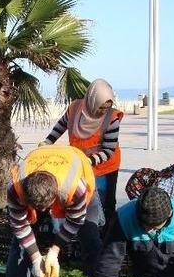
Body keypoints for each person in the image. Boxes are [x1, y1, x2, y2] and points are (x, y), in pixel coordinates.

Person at [2, 145, 104, 277]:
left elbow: (75, 222)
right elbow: (20, 226)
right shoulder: (15, 188)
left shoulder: (75, 188)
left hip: (80, 174)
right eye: (37, 207)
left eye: (45, 207)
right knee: (19, 244)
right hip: (42, 174)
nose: (43, 212)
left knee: (90, 238)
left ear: (56, 195)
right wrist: (36, 258)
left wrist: (54, 252)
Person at [41, 78, 123, 227]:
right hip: (79, 163)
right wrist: (47, 142)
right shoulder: (75, 108)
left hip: (104, 167)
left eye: (106, 108)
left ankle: (106, 231)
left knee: (105, 200)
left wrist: (88, 161)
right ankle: (82, 228)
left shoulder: (112, 118)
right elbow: (61, 126)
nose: (103, 111)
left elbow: (109, 150)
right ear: (92, 100)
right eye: (100, 107)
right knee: (81, 197)